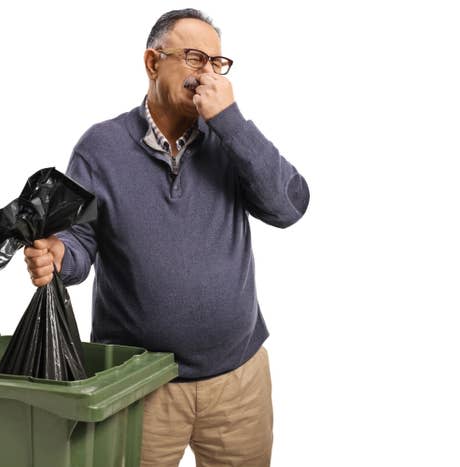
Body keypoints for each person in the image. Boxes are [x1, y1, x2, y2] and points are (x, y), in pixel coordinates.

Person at [24, 8, 309, 467]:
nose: (207, 74)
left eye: (217, 64)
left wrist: (231, 122)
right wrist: (59, 254)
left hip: (237, 383)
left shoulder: (230, 140)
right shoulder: (100, 147)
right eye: (195, 58)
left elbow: (289, 207)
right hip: (139, 387)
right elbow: (80, 241)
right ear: (152, 63)